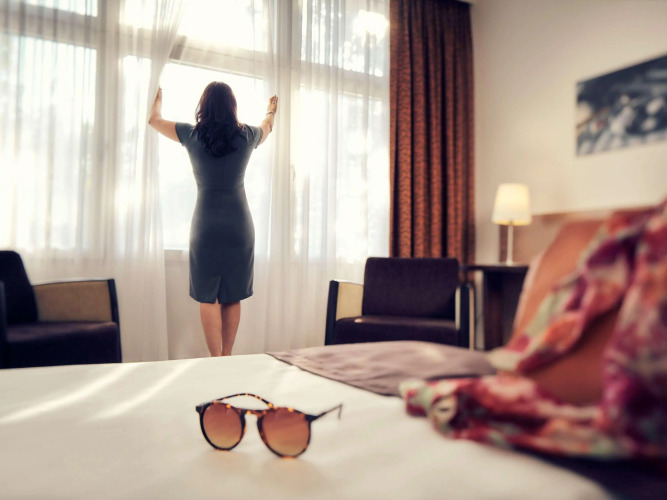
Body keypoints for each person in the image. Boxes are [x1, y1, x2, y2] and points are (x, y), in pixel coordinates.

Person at [149, 82, 277, 356]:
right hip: (238, 225)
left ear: (203, 105)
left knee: (209, 296)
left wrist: (157, 98)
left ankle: (215, 358)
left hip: (205, 225)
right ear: (232, 106)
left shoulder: (191, 134)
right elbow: (267, 127)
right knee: (232, 294)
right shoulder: (247, 136)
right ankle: (227, 356)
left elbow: (154, 120)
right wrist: (270, 111)